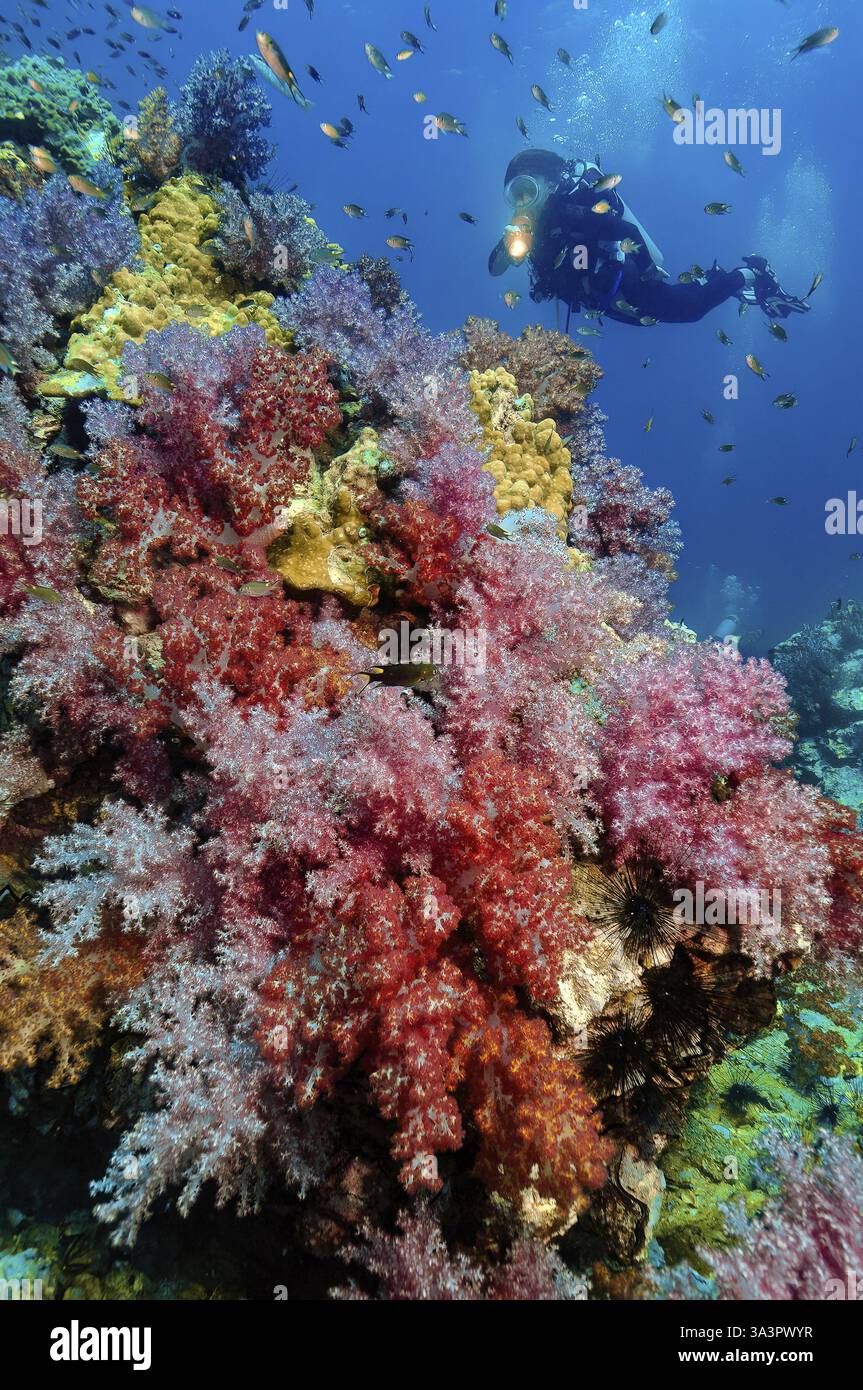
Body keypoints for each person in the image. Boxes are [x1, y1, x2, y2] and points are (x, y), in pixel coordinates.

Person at [489, 150, 810, 327]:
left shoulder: (569, 211)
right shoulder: (527, 230)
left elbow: (627, 232)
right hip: (597, 297)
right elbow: (495, 268)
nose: (522, 202)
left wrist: (646, 270)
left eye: (527, 191)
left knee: (686, 310)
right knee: (647, 320)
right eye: (515, 196)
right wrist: (511, 245)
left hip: (624, 278)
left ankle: (750, 274)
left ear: (544, 187)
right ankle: (714, 279)